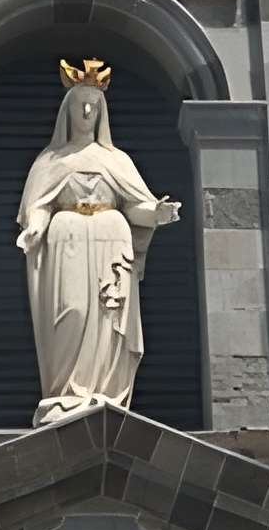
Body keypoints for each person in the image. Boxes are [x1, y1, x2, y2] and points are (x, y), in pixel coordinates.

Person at [15, 59, 181, 426]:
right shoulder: (51, 160)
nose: (87, 111)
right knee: (71, 311)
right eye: (80, 104)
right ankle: (66, 395)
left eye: (94, 105)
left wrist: (156, 213)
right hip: (67, 239)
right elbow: (38, 206)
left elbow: (136, 204)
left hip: (111, 239)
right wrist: (34, 228)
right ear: (68, 111)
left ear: (103, 112)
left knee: (110, 317)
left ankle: (105, 394)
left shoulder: (116, 160)